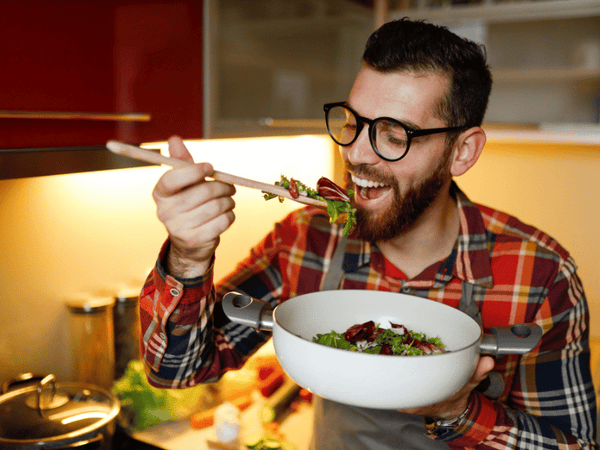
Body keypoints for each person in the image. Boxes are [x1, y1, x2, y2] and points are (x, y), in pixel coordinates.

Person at [139, 18, 597, 449]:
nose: (357, 153)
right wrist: (188, 256)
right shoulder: (306, 239)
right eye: (352, 122)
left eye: (394, 135)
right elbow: (176, 371)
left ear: (462, 151)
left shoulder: (540, 276)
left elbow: (576, 444)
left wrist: (459, 409)